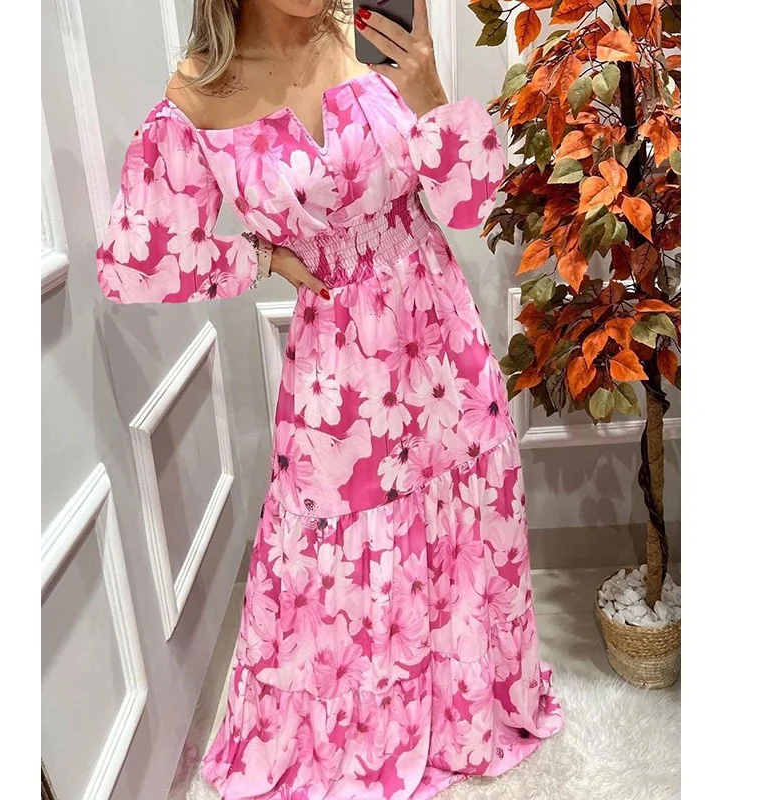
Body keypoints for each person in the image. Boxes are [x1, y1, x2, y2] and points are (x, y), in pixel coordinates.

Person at [95, 1, 563, 797]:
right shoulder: (201, 93)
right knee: (337, 550)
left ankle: (463, 711)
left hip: (439, 339)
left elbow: (473, 204)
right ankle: (370, 738)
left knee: (462, 518)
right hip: (338, 367)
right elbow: (134, 262)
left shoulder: (370, 35)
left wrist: (430, 92)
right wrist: (258, 259)